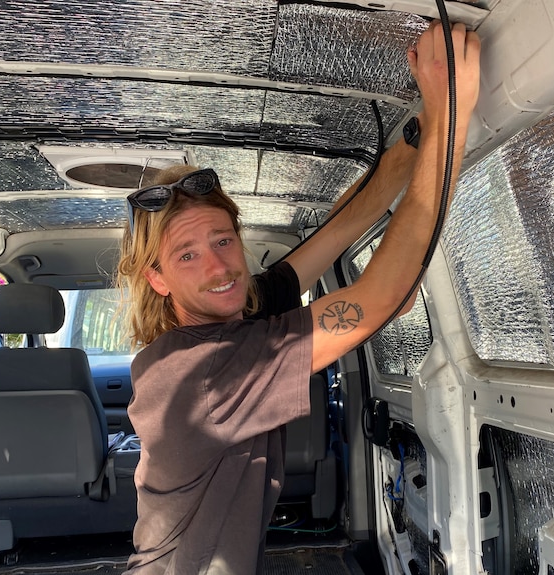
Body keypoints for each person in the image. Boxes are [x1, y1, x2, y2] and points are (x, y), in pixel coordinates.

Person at [116, 20, 480, 575]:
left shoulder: (232, 320)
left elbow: (332, 237)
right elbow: (380, 295)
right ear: (157, 278)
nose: (218, 266)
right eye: (187, 254)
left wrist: (412, 144)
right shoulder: (199, 370)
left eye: (223, 240)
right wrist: (451, 119)